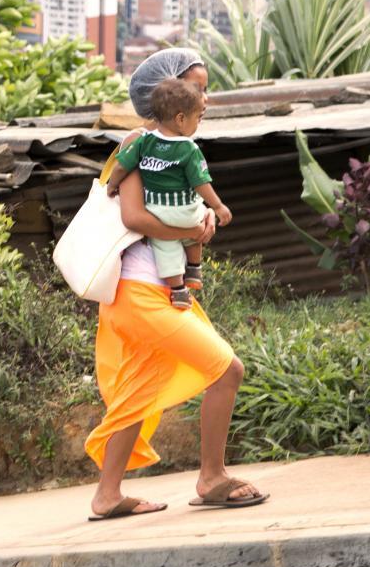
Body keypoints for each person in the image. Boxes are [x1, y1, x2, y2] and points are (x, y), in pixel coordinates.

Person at [85, 48, 268, 521]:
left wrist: (200, 220)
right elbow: (134, 216)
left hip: (154, 292)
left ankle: (107, 495)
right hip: (140, 294)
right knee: (228, 371)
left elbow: (172, 211)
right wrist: (191, 230)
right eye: (199, 87)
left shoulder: (174, 147)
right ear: (169, 93)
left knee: (139, 391)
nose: (206, 98)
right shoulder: (139, 143)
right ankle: (212, 478)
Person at [103, 77, 232, 309]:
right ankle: (194, 268)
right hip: (185, 212)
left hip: (158, 212)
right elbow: (200, 182)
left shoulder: (143, 143)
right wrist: (217, 206)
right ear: (180, 119)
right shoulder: (189, 149)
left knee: (166, 247)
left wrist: (112, 185)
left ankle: (178, 289)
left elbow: (121, 166)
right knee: (195, 220)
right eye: (197, 120)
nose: (197, 125)